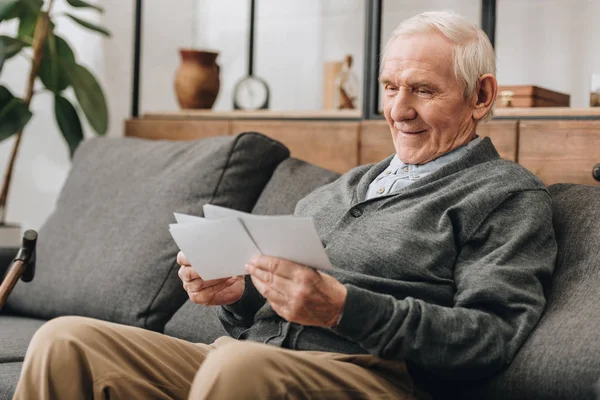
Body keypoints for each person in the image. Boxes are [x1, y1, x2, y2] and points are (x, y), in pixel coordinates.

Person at [12, 11, 557, 400]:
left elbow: (491, 338)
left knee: (240, 366)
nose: (398, 109)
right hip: (252, 359)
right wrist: (238, 295)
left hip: (371, 375)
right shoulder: (342, 188)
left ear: (481, 97)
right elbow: (265, 313)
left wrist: (344, 308)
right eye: (390, 87)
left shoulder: (504, 196)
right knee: (66, 340)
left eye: (423, 91)